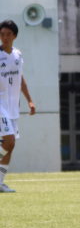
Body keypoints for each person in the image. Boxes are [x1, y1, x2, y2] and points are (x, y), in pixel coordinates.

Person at [0, 20, 36, 193]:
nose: (5, 37)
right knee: (9, 141)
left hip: (13, 107)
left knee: (10, 146)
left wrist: (30, 100)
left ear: (14, 36)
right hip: (0, 106)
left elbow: (20, 78)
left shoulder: (18, 55)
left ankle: (0, 183)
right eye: (2, 34)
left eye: (8, 34)